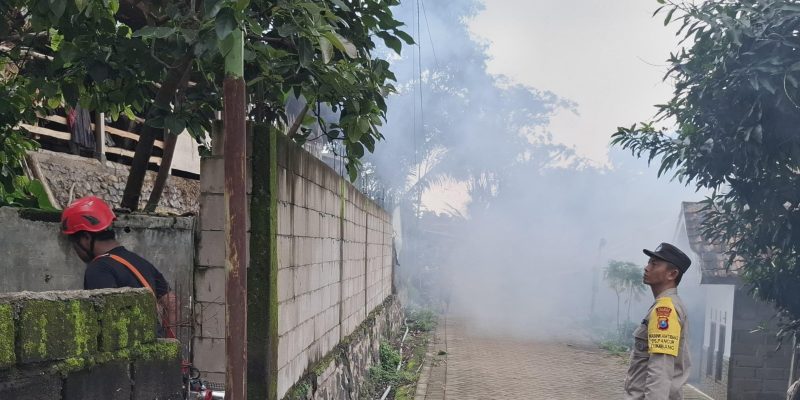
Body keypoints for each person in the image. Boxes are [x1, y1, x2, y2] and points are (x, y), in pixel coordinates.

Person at [61, 195, 176, 337]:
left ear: (86, 238)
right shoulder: (138, 261)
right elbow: (171, 302)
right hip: (156, 345)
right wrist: (168, 341)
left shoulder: (98, 269)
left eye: (74, 245)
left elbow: (105, 323)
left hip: (130, 349)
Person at [624, 242, 692, 400]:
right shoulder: (665, 305)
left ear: (672, 274)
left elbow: (660, 371)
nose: (646, 268)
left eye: (654, 264)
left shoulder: (665, 310)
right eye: (649, 262)